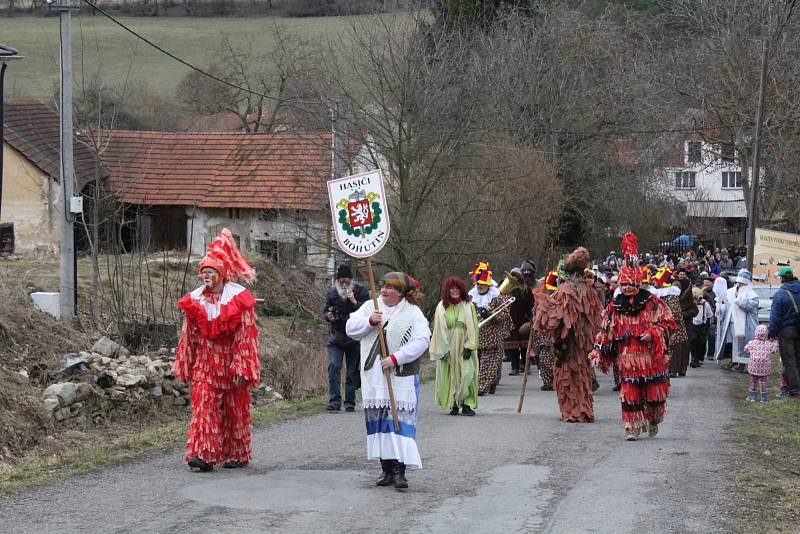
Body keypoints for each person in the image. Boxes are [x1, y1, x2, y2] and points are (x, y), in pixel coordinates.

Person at [174, 228, 261, 472]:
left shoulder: (238, 300)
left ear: (222, 276)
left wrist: (243, 365)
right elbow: (188, 336)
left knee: (235, 409)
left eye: (211, 272)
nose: (206, 276)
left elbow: (247, 337)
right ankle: (203, 454)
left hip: (231, 363)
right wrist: (186, 363)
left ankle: (236, 453)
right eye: (203, 272)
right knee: (203, 405)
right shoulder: (196, 301)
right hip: (205, 363)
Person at [346, 272, 430, 490]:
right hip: (374, 376)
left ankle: (400, 471)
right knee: (381, 422)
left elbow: (422, 340)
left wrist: (396, 358)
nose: (384, 291)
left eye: (390, 288)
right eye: (382, 286)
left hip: (400, 377)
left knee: (398, 422)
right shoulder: (370, 306)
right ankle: (386, 469)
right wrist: (369, 321)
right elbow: (350, 328)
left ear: (400, 292)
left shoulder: (412, 313)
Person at [590, 264, 677, 441]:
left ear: (638, 283)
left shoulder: (653, 302)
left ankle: (653, 420)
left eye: (630, 283)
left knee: (654, 396)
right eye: (623, 284)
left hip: (651, 359)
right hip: (626, 359)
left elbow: (669, 324)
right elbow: (606, 331)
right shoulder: (615, 306)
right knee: (630, 394)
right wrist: (598, 352)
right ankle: (632, 428)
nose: (627, 287)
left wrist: (654, 333)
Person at [534, 248, 602, 423]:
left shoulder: (565, 289)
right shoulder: (589, 290)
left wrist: (542, 305)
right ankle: (584, 409)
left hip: (568, 342)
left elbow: (557, 318)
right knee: (583, 374)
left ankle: (573, 411)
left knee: (568, 375)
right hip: (583, 342)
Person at [323, 264, 370, 412]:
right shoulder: (331, 292)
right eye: (341, 281)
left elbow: (367, 311)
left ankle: (350, 401)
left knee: (351, 370)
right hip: (336, 336)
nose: (344, 284)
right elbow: (326, 311)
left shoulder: (361, 291)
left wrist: (354, 301)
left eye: (346, 281)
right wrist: (328, 316)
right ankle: (334, 401)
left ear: (351, 280)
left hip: (354, 337)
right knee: (334, 367)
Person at [431, 276, 480, 416]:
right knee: (450, 374)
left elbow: (474, 327)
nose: (455, 291)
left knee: (467, 374)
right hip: (448, 346)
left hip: (464, 344)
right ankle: (452, 403)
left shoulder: (468, 305)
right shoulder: (441, 307)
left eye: (457, 288)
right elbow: (437, 330)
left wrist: (470, 347)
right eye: (452, 288)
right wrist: (441, 350)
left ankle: (466, 403)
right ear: (448, 290)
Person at [468, 261, 512, 396]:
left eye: (483, 284)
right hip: (476, 335)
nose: (480, 286)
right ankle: (489, 382)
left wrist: (491, 314)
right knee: (479, 363)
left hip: (492, 336)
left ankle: (482, 387)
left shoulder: (496, 297)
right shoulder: (471, 296)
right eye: (478, 284)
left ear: (488, 284)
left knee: (490, 362)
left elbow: (504, 315)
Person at [715, 269, 759, 372]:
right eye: (738, 283)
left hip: (745, 324)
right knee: (734, 343)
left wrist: (738, 299)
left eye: (742, 284)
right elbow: (727, 305)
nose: (739, 285)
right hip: (732, 322)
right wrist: (720, 308)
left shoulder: (752, 295)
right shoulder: (731, 292)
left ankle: (742, 364)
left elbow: (747, 306)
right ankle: (733, 360)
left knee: (744, 343)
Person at [768, 266, 800, 398]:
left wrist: (772, 333)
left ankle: (794, 391)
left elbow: (775, 317)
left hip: (787, 331)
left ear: (782, 278)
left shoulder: (780, 294)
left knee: (789, 361)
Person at [504, 266, 535, 376]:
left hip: (523, 319)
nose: (514, 278)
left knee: (524, 346)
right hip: (511, 321)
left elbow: (532, 306)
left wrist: (531, 320)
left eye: (516, 276)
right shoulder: (506, 291)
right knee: (512, 346)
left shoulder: (527, 291)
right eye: (512, 276)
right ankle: (514, 367)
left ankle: (525, 365)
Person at [745, 325, 778, 402]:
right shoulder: (768, 344)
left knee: (753, 381)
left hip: (754, 366)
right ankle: (763, 397)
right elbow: (774, 350)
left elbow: (746, 349)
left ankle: (752, 396)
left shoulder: (752, 343)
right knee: (763, 381)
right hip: (764, 367)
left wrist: (751, 352)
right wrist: (776, 342)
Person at [690, 287, 713, 368]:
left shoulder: (705, 304)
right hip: (693, 325)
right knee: (693, 341)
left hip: (702, 326)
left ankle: (699, 358)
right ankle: (694, 358)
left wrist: (707, 326)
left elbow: (709, 315)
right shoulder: (691, 304)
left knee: (701, 342)